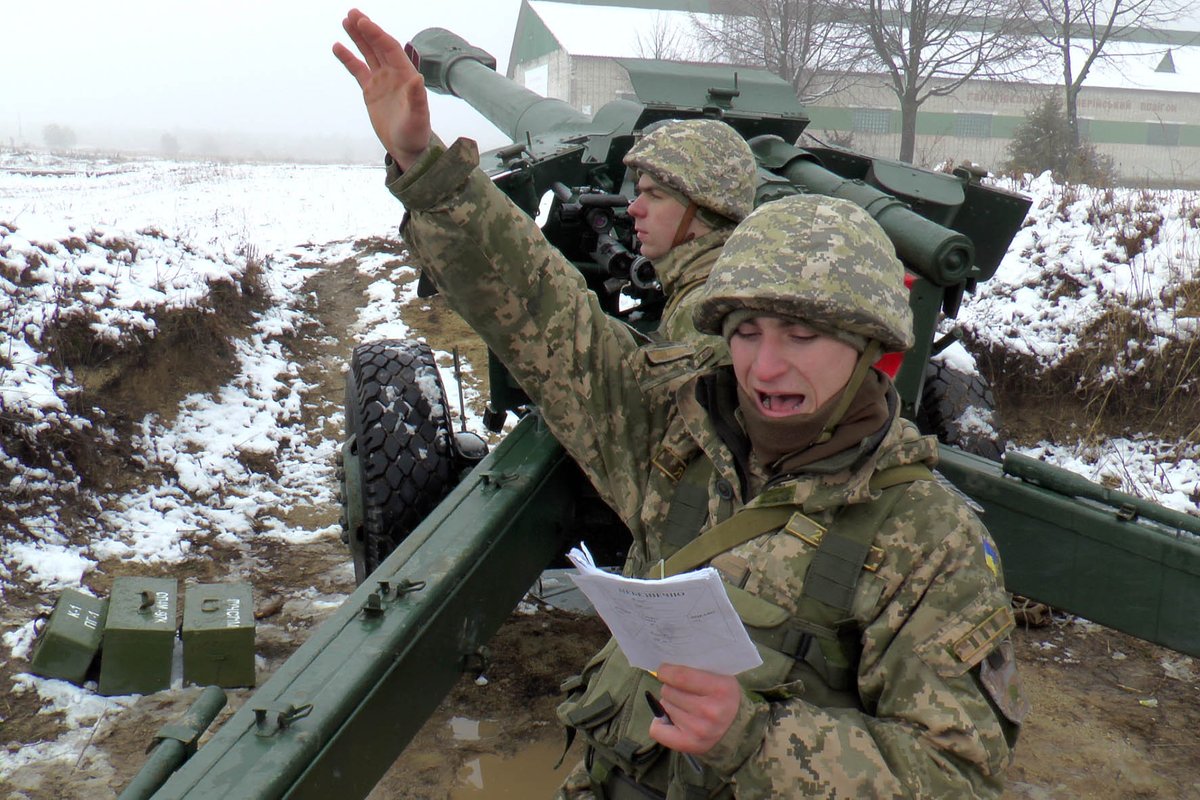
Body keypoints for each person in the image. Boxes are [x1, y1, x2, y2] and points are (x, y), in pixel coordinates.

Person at [334, 10, 1028, 798]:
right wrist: (424, 164)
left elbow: (958, 779)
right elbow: (539, 313)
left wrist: (752, 739)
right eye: (745, 329)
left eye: (802, 335)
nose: (766, 366)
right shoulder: (681, 442)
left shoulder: (927, 543)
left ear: (870, 346)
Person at [620, 118, 757, 344]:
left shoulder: (704, 312)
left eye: (655, 195)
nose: (634, 208)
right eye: (640, 193)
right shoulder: (719, 282)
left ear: (706, 209)